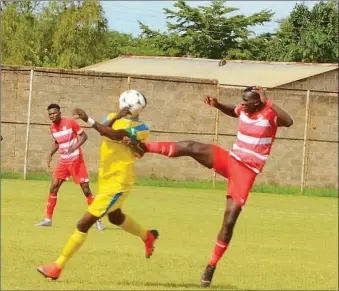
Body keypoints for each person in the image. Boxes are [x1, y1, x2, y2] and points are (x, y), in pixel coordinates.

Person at [132, 86, 294, 288]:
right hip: (231, 160)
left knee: (229, 221)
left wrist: (268, 101)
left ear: (257, 102)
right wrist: (218, 105)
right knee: (192, 146)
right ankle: (144, 148)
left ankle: (211, 265)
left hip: (247, 172)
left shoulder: (269, 114)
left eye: (246, 101)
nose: (242, 104)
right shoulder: (244, 110)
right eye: (242, 100)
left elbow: (289, 122)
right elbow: (232, 110)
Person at [37, 103, 159, 280]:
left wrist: (88, 118)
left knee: (83, 224)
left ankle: (57, 267)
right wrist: (116, 117)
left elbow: (115, 135)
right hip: (107, 180)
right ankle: (147, 237)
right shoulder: (112, 117)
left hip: (118, 183)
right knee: (116, 217)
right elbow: (105, 129)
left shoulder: (141, 128)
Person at [35, 104, 104, 231]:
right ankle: (48, 220)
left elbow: (84, 136)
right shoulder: (52, 128)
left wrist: (75, 146)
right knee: (53, 187)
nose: (52, 116)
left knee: (86, 190)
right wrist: (50, 153)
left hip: (76, 160)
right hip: (63, 161)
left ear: (59, 113)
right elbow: (57, 141)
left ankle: (97, 219)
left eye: (54, 113)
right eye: (50, 114)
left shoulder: (70, 122)